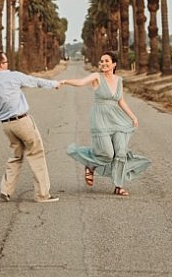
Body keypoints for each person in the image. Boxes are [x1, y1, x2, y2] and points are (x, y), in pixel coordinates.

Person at [60, 49, 151, 197]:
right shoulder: (97, 77)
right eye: (101, 61)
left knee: (120, 152)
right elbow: (81, 82)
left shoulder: (119, 80)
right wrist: (64, 81)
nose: (103, 64)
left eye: (107, 61)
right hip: (100, 119)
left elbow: (121, 101)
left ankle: (118, 186)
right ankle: (91, 164)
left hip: (117, 119)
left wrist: (133, 117)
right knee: (108, 154)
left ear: (114, 64)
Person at [0, 50, 62, 203]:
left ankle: (5, 190)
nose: (8, 64)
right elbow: (35, 81)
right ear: (0, 65)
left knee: (16, 156)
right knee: (36, 154)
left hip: (6, 125)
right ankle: (42, 194)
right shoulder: (13, 76)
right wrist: (55, 84)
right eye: (5, 62)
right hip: (22, 121)